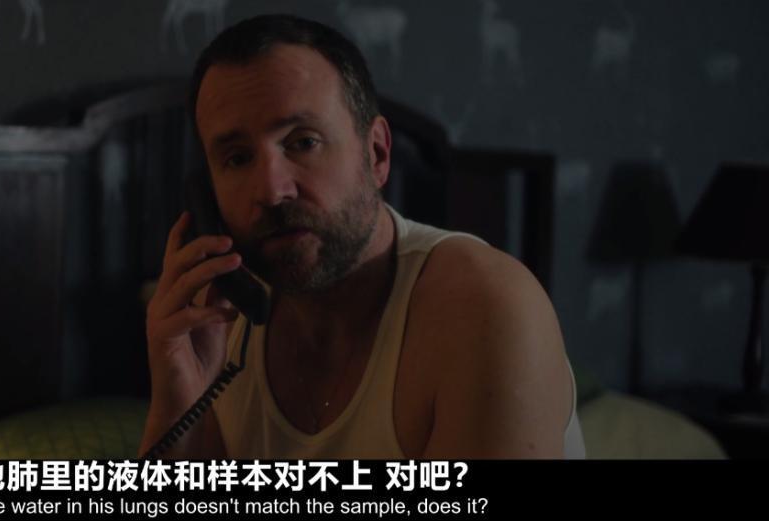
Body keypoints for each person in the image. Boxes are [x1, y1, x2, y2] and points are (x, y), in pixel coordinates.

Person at [141, 14, 584, 459]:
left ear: (376, 153)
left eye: (303, 142)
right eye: (237, 159)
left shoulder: (483, 306)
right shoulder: (222, 327)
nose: (272, 191)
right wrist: (177, 404)